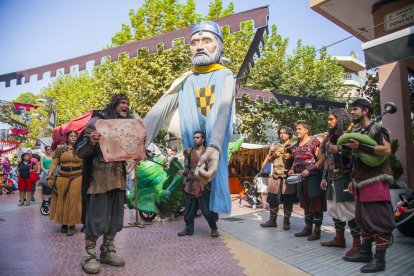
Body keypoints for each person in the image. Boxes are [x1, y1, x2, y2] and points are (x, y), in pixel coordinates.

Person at [143, 20, 235, 214]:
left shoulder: (225, 75)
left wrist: (215, 145)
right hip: (191, 156)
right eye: (194, 42)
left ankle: (211, 224)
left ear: (219, 46)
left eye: (207, 40)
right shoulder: (186, 81)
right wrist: (137, 142)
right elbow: (157, 112)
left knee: (212, 188)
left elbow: (224, 112)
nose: (199, 46)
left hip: (213, 150)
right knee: (191, 191)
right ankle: (190, 221)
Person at [76, 94, 131, 274]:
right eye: (123, 103)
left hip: (118, 178)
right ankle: (89, 255)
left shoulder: (128, 125)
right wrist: (90, 142)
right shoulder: (97, 121)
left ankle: (107, 251)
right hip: (98, 179)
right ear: (115, 104)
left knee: (115, 218)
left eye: (128, 103)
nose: (126, 106)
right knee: (96, 218)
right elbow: (80, 151)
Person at [341, 99, 395, 273]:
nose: (352, 113)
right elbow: (358, 158)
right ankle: (365, 252)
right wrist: (352, 179)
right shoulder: (358, 131)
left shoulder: (377, 128)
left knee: (378, 220)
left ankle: (380, 260)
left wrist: (361, 145)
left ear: (365, 111)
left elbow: (387, 150)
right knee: (363, 219)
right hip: (360, 181)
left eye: (355, 109)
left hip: (376, 179)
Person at [319, 109, 361, 257]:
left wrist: (340, 150)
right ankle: (339, 238)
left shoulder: (348, 136)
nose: (329, 122)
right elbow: (326, 160)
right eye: (329, 119)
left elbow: (355, 156)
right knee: (334, 209)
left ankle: (357, 244)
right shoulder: (330, 137)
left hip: (344, 177)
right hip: (331, 177)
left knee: (348, 210)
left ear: (340, 119)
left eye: (331, 119)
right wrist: (324, 177)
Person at [177, 131, 219, 237]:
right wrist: (184, 172)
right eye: (194, 138)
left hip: (203, 186)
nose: (195, 139)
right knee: (189, 209)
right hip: (190, 185)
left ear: (203, 139)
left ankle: (214, 228)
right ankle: (188, 229)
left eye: (198, 137)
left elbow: (212, 170)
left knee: (206, 210)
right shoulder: (189, 152)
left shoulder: (209, 152)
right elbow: (187, 168)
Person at [289, 120, 325, 241]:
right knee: (305, 203)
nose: (297, 131)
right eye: (297, 128)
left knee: (316, 204)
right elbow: (296, 160)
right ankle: (307, 228)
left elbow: (321, 160)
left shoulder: (314, 142)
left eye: (299, 128)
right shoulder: (296, 145)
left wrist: (309, 170)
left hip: (313, 177)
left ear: (306, 130)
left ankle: (317, 230)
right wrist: (292, 169)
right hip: (301, 178)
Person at [260, 126, 296, 230]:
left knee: (288, 200)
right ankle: (272, 221)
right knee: (272, 199)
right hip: (275, 176)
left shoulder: (293, 145)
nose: (282, 134)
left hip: (287, 176)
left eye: (284, 132)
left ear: (289, 134)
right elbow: (269, 160)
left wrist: (291, 156)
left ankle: (286, 222)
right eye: (280, 133)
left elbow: (298, 159)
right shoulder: (274, 145)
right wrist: (274, 155)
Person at [47, 131, 82, 236]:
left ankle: (71, 225)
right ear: (67, 138)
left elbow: (85, 164)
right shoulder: (60, 149)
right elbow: (54, 163)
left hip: (77, 176)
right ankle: (64, 223)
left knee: (73, 199)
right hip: (62, 176)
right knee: (62, 198)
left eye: (75, 136)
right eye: (71, 135)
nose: (73, 137)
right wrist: (50, 176)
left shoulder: (81, 149)